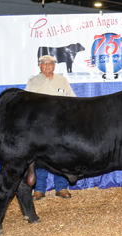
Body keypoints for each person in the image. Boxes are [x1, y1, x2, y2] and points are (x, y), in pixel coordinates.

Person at [25, 55, 75, 200]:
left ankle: (61, 187)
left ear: (54, 65)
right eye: (44, 63)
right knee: (40, 157)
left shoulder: (62, 81)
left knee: (60, 156)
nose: (47, 65)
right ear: (39, 66)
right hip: (39, 126)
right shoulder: (33, 82)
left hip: (60, 126)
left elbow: (72, 101)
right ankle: (40, 189)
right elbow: (26, 104)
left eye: (50, 63)